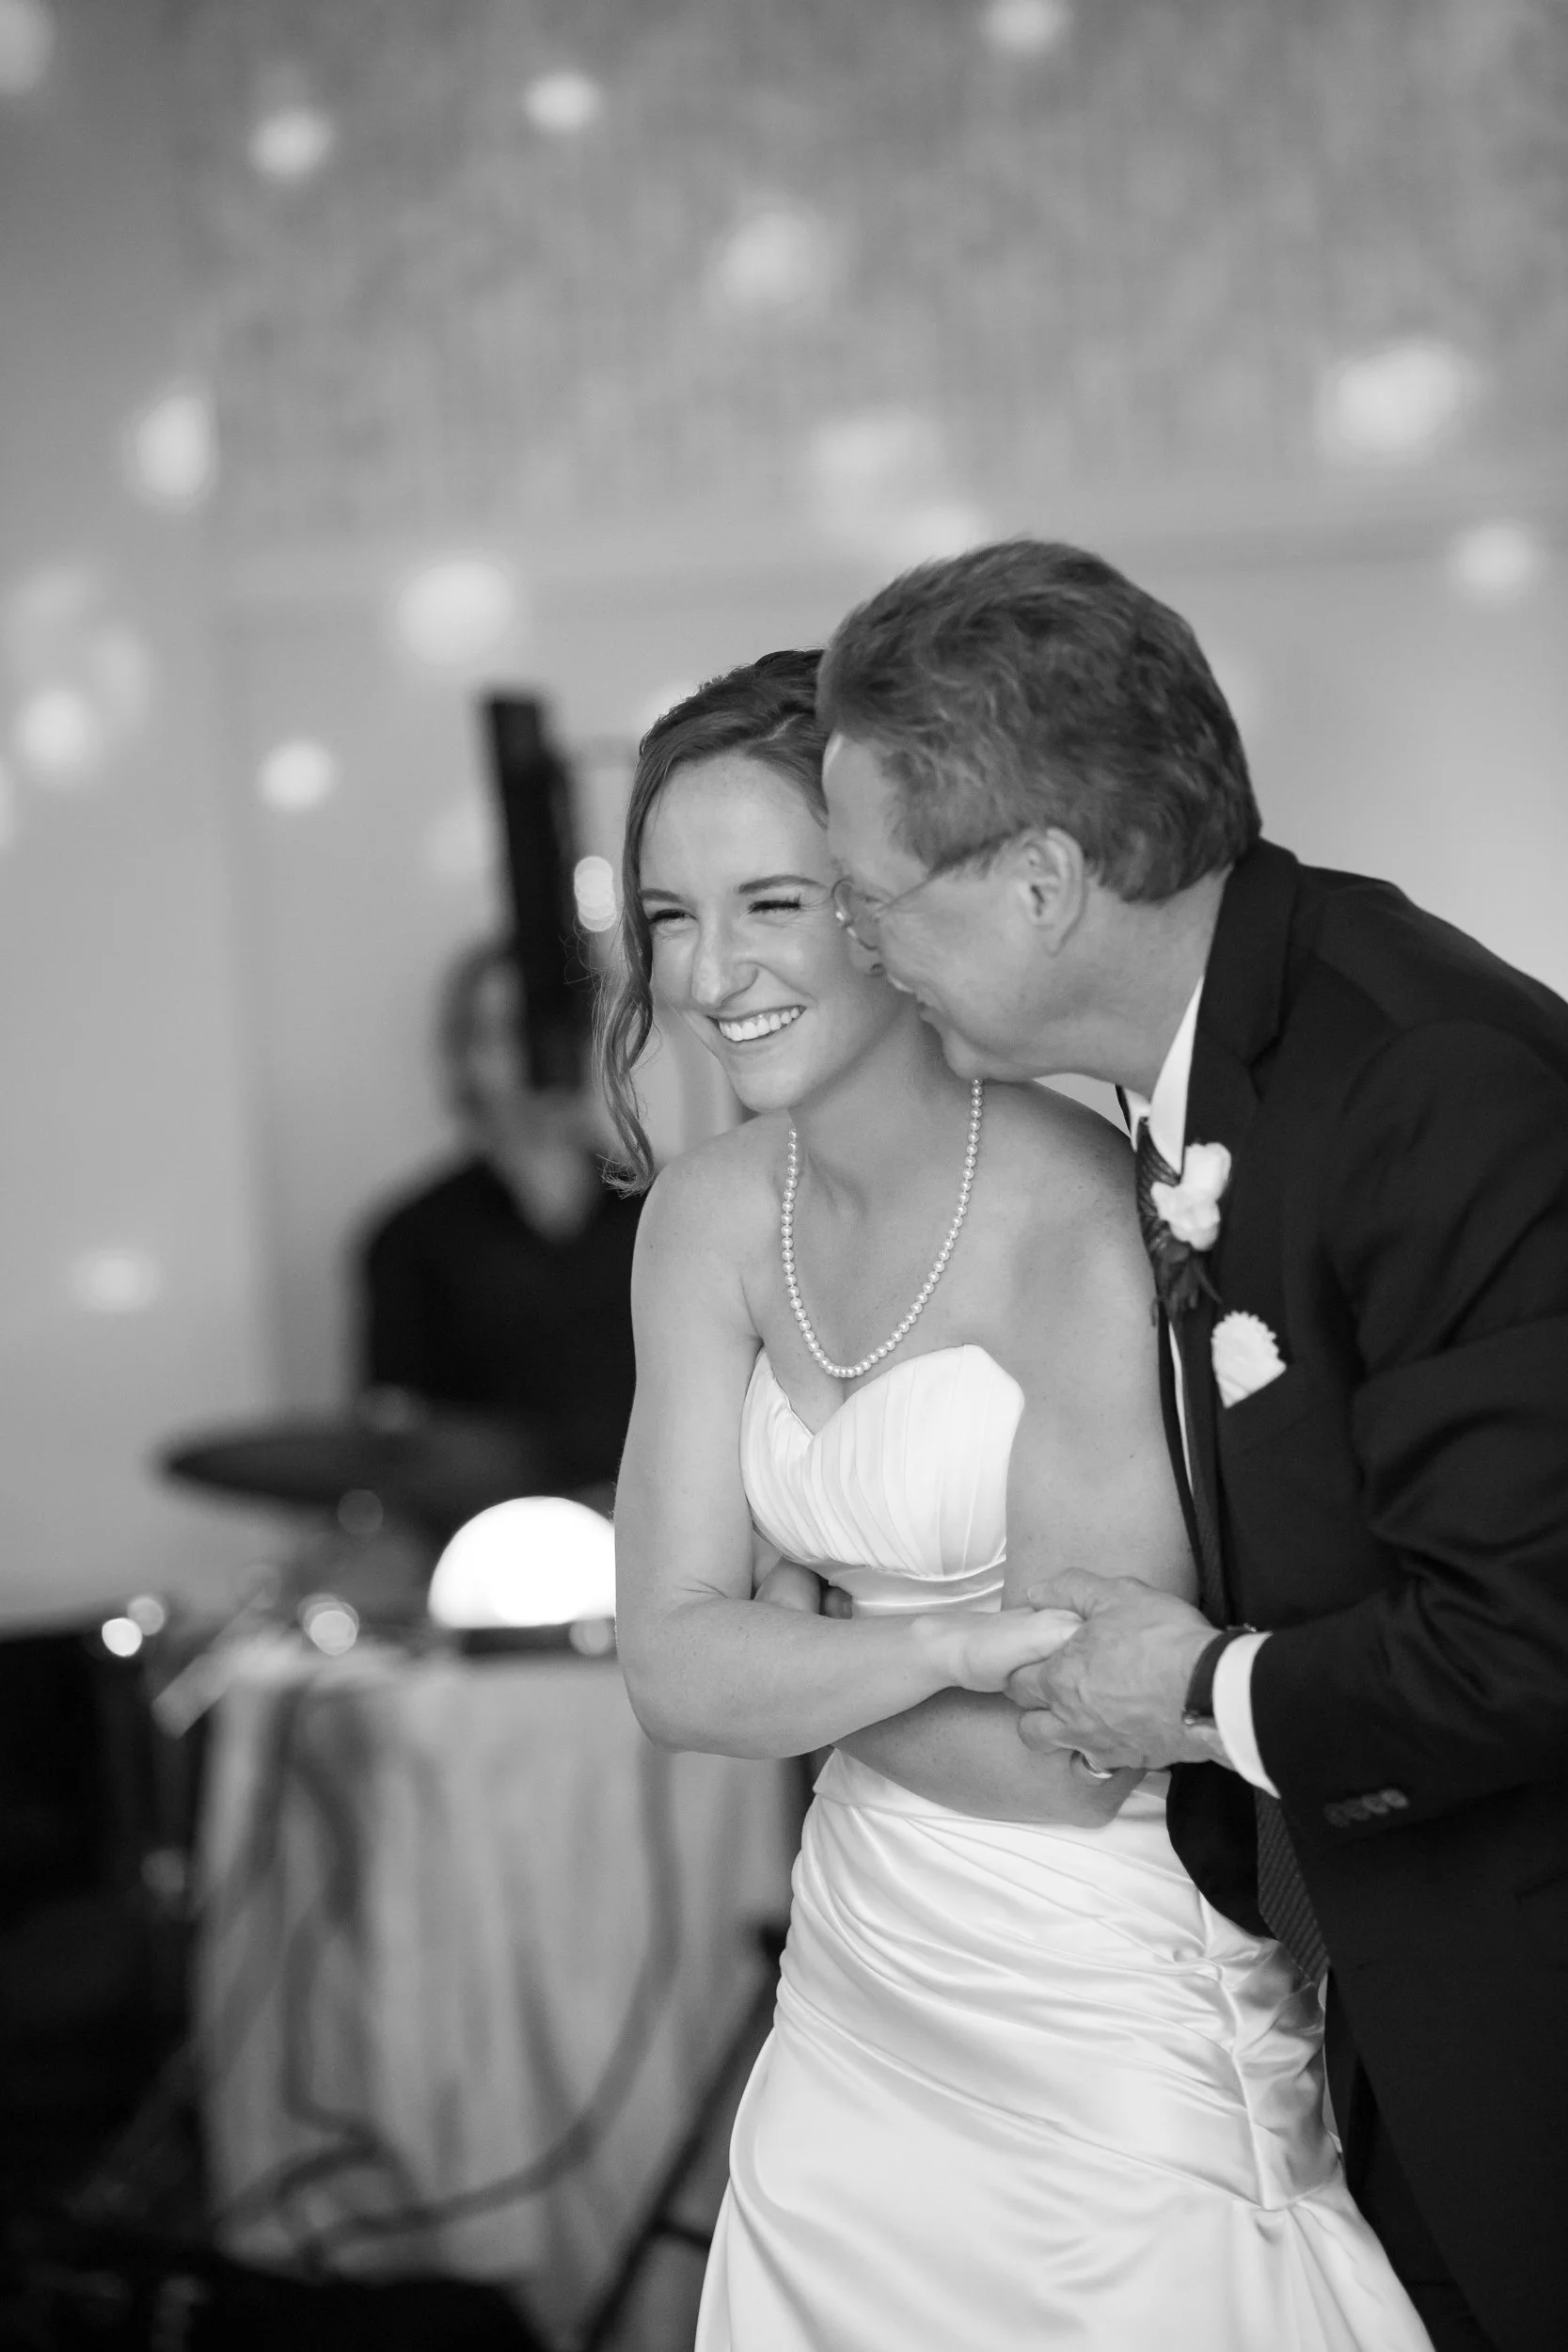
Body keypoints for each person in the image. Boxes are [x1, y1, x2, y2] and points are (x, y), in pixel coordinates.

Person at [606, 652, 1428, 2350]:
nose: (709, 973)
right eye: (667, 917)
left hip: (1097, 1980)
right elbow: (665, 1674)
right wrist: (952, 1646)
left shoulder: (1070, 1212)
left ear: (875, 911)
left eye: (768, 901)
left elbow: (1071, 1764)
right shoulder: (697, 1223)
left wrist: (807, 1642)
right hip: (856, 1983)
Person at [816, 538, 1568, 2352]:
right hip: (1378, 2006)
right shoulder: (1234, 1053)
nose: (860, 954)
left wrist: (1197, 1695)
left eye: (867, 902)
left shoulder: (1426, 1085)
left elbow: (1528, 1638)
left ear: (1043, 881)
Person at [360, 938, 641, 1498]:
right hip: (482, 1547)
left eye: (555, 1028)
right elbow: (395, 1439)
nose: (538, 1057)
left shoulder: (669, 1211)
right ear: (466, 1058)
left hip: (656, 1543)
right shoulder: (411, 1239)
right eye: (508, 1034)